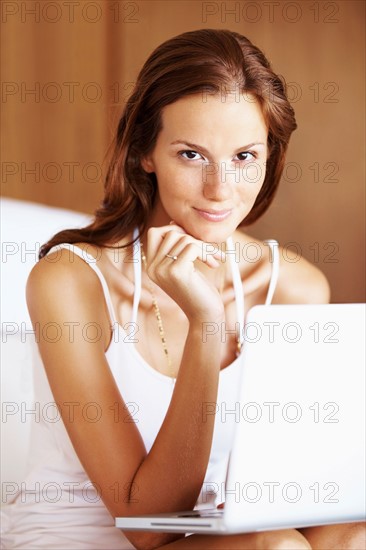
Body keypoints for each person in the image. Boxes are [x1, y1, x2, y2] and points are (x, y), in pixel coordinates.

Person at [2, 29, 365, 550]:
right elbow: (148, 522)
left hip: (214, 540)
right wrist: (206, 323)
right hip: (82, 541)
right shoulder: (70, 282)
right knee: (277, 548)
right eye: (192, 155)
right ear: (145, 152)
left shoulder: (294, 288)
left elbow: (303, 491)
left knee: (353, 536)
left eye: (244, 157)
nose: (220, 190)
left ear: (271, 156)